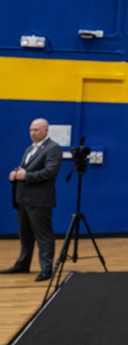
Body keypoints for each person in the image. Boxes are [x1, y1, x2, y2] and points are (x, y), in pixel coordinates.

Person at [3, 118, 62, 281]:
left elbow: (50, 172)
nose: (32, 133)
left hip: (39, 200)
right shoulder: (29, 148)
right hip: (23, 199)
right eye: (31, 130)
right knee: (25, 235)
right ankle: (23, 264)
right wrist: (16, 174)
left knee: (43, 235)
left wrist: (26, 175)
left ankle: (46, 269)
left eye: (36, 130)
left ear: (45, 131)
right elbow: (25, 169)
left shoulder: (53, 148)